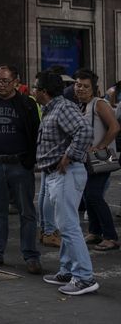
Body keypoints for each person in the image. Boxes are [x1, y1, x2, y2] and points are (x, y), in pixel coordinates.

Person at [34, 70, 98, 295]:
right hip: (56, 173)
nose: (33, 91)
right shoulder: (52, 108)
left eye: (36, 88)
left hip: (67, 172)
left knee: (69, 226)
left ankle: (84, 277)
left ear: (43, 91)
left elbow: (85, 131)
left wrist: (69, 155)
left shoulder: (63, 107)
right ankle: (68, 270)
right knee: (64, 225)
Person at [0, 65, 42, 274]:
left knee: (27, 212)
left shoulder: (27, 104)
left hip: (20, 165)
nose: (0, 85)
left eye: (4, 81)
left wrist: (29, 161)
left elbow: (35, 132)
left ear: (15, 82)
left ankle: (31, 256)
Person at [73, 69, 120, 251]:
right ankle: (95, 231)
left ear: (94, 88)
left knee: (94, 195)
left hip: (101, 159)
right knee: (88, 195)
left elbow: (115, 127)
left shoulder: (99, 104)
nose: (81, 89)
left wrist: (101, 145)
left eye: (85, 86)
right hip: (87, 160)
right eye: (78, 85)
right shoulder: (81, 106)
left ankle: (111, 237)